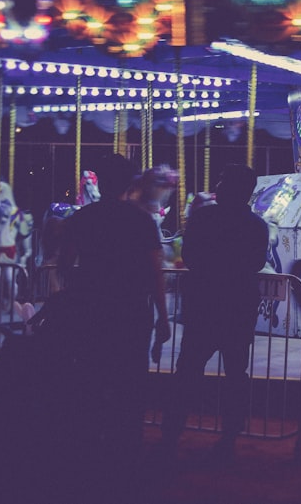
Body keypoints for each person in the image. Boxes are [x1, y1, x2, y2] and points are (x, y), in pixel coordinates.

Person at [55, 153, 171, 497]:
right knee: (130, 384)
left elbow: (64, 262)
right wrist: (163, 317)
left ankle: (88, 447)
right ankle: (126, 455)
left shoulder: (84, 217)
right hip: (131, 312)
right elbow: (155, 272)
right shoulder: (141, 221)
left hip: (91, 308)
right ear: (130, 184)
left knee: (90, 378)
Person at [158, 164, 269, 461]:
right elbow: (257, 263)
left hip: (204, 305)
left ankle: (171, 432)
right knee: (235, 373)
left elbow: (190, 256)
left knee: (188, 370)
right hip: (237, 307)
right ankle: (230, 435)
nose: (217, 187)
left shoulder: (202, 219)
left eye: (221, 181)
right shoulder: (257, 225)